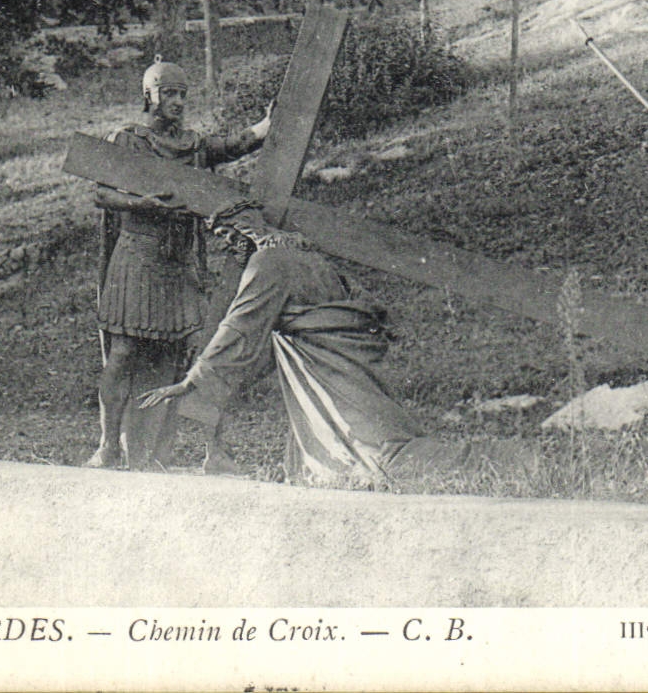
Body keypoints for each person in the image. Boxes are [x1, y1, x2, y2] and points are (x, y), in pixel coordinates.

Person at [139, 204, 468, 484]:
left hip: (324, 359)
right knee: (365, 420)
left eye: (227, 236)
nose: (227, 246)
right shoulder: (310, 256)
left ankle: (368, 465)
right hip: (346, 351)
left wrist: (192, 380)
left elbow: (239, 324)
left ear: (245, 229)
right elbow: (354, 295)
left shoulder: (266, 263)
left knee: (372, 443)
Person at [87, 57, 273, 470]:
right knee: (122, 353)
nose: (177, 102)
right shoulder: (129, 139)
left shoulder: (192, 145)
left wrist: (264, 129)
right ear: (149, 96)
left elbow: (229, 147)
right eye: (169, 93)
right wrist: (141, 203)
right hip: (136, 255)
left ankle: (166, 450)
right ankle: (107, 446)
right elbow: (102, 193)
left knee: (183, 357)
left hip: (177, 262)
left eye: (183, 94)